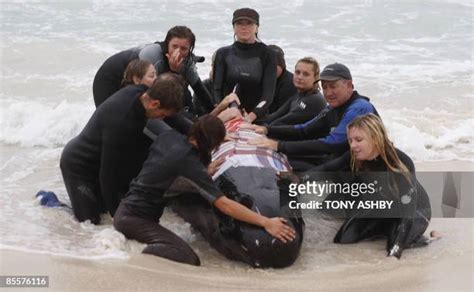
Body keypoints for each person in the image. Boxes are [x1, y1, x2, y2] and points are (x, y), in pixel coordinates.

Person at [113, 115, 296, 266]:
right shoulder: (191, 165)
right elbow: (224, 205)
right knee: (188, 257)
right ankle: (136, 255)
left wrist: (205, 172)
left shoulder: (168, 137)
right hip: (134, 218)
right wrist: (265, 222)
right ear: (212, 144)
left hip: (129, 208)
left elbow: (165, 172)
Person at [303, 114, 438, 258]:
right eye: (350, 140)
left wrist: (395, 254)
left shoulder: (400, 163)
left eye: (358, 140)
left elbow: (406, 216)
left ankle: (433, 239)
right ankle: (384, 231)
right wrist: (298, 178)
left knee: (394, 246)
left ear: (375, 139)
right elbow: (326, 169)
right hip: (383, 206)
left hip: (414, 211)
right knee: (344, 239)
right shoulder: (354, 157)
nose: (353, 145)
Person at [60, 73, 185, 224]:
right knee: (90, 223)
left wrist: (196, 131)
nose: (162, 119)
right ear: (154, 104)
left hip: (101, 158)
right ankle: (53, 205)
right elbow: (108, 175)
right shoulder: (121, 121)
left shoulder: (144, 92)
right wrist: (118, 217)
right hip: (78, 166)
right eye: (162, 114)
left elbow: (174, 118)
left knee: (103, 208)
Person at [244, 63, 379, 170]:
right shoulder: (332, 108)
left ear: (349, 85)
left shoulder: (359, 108)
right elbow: (305, 129)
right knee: (281, 160)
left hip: (364, 169)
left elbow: (332, 143)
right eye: (324, 87)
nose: (328, 92)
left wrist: (279, 145)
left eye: (333, 86)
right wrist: (268, 130)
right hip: (337, 160)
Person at [92, 26, 213, 114]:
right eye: (174, 46)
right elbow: (157, 95)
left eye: (184, 48)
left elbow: (199, 90)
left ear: (190, 49)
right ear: (166, 45)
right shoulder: (153, 56)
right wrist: (174, 72)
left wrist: (215, 111)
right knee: (117, 118)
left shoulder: (187, 62)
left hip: (134, 84)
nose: (178, 52)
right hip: (110, 78)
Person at [213, 8, 277, 123]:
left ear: (257, 27)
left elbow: (268, 96)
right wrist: (225, 112)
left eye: (249, 23)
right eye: (239, 23)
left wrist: (249, 118)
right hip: (228, 115)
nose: (244, 27)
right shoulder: (223, 53)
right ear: (233, 27)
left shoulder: (268, 54)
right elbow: (217, 89)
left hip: (257, 118)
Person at [263, 56, 326, 126]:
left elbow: (286, 121)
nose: (300, 77)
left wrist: (264, 128)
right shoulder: (298, 94)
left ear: (316, 78)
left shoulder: (315, 99)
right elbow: (275, 116)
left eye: (306, 74)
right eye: (297, 72)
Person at [267, 45, 297, 114]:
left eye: (274, 66)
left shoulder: (290, 83)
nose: (270, 69)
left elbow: (281, 114)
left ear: (282, 65)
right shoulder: (262, 77)